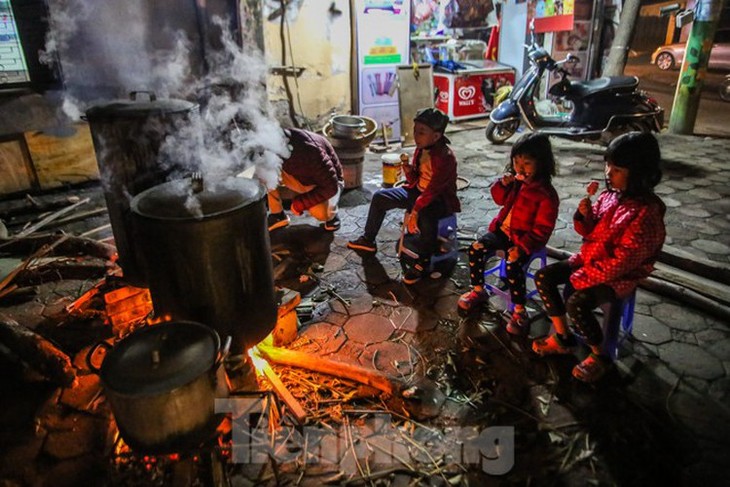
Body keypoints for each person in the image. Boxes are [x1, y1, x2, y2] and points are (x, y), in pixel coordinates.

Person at [531, 132, 666, 383]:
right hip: (589, 259)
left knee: (575, 301)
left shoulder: (646, 214)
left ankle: (599, 356)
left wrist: (582, 278)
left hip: (619, 276)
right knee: (544, 277)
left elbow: (623, 261)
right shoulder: (609, 195)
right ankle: (563, 338)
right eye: (608, 166)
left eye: (616, 169)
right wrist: (585, 216)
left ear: (639, 173)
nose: (608, 173)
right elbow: (589, 233)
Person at [457, 133, 559, 334]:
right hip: (503, 232)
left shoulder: (546, 194)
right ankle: (478, 291)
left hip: (525, 241)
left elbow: (542, 230)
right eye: (516, 162)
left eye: (527, 163)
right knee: (475, 249)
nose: (520, 168)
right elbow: (498, 199)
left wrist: (522, 248)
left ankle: (520, 311)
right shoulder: (516, 183)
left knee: (513, 265)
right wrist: (502, 184)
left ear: (542, 164)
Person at [347, 107, 460, 284]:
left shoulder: (445, 158)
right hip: (417, 192)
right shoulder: (421, 149)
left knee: (426, 216)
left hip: (438, 199)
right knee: (380, 197)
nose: (416, 136)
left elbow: (433, 190)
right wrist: (409, 170)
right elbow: (416, 179)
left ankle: (422, 261)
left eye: (421, 132)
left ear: (437, 136)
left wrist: (415, 212)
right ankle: (368, 239)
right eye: (415, 131)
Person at [267, 128, 344, 232]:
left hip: (327, 184)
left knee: (321, 213)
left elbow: (331, 187)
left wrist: (299, 204)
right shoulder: (279, 144)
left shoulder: (310, 151)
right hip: (302, 178)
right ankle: (278, 215)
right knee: (263, 170)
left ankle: (332, 215)